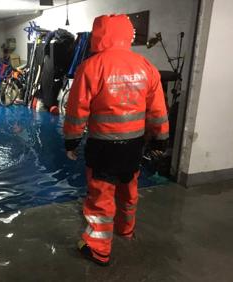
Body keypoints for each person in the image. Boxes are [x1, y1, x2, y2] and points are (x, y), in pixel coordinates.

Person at [63, 14, 169, 266]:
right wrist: (160, 140)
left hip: (103, 146)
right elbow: (158, 110)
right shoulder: (146, 66)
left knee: (101, 198)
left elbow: (77, 111)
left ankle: (98, 249)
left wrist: (71, 141)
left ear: (98, 35)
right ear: (127, 34)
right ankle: (125, 230)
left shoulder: (90, 67)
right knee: (129, 190)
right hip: (133, 145)